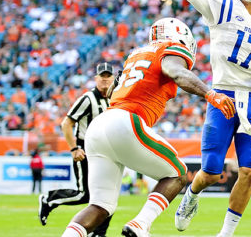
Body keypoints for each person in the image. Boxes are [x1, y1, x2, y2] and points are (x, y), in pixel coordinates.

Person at [123, 0, 251, 237]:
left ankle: (225, 234)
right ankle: (192, 195)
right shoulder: (223, 5)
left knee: (248, 172)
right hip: (222, 93)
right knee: (210, 172)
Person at [59, 18, 235, 237]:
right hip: (126, 120)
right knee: (178, 173)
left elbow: (114, 91)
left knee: (101, 206)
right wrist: (210, 94)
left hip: (100, 125)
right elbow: (177, 73)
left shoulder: (136, 54)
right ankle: (141, 224)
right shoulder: (170, 48)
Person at [39, 62, 116, 237]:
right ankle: (49, 199)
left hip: (106, 153)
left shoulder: (114, 99)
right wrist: (74, 148)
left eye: (108, 76)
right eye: (102, 76)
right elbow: (66, 123)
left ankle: (99, 233)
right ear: (96, 79)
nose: (105, 80)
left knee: (108, 195)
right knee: (84, 195)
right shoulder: (87, 99)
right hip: (85, 151)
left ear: (113, 79)